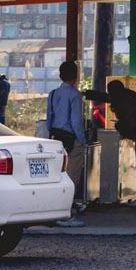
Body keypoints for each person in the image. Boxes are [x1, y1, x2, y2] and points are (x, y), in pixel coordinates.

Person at [46, 60, 92, 226]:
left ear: (60, 75)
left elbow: (48, 120)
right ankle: (66, 215)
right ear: (76, 76)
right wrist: (83, 140)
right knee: (71, 176)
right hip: (72, 138)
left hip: (56, 138)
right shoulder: (75, 95)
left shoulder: (52, 94)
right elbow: (76, 122)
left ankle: (52, 212)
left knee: (55, 175)